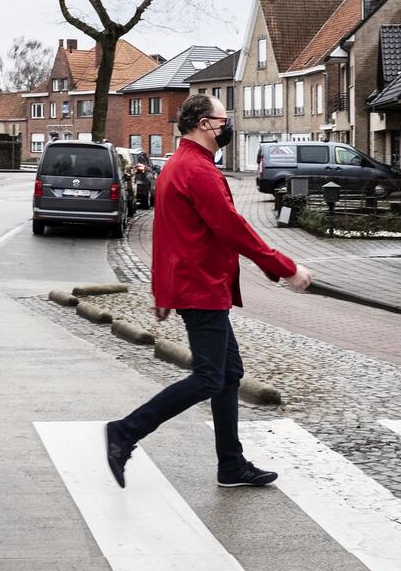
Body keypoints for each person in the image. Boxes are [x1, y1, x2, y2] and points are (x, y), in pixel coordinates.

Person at [105, 94, 311, 489]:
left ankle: (231, 465)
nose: (227, 125)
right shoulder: (197, 170)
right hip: (201, 287)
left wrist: (163, 291)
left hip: (194, 285)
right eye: (223, 119)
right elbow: (232, 228)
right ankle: (124, 432)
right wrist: (284, 268)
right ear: (204, 123)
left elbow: (165, 235)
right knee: (209, 378)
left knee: (229, 374)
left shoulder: (179, 166)